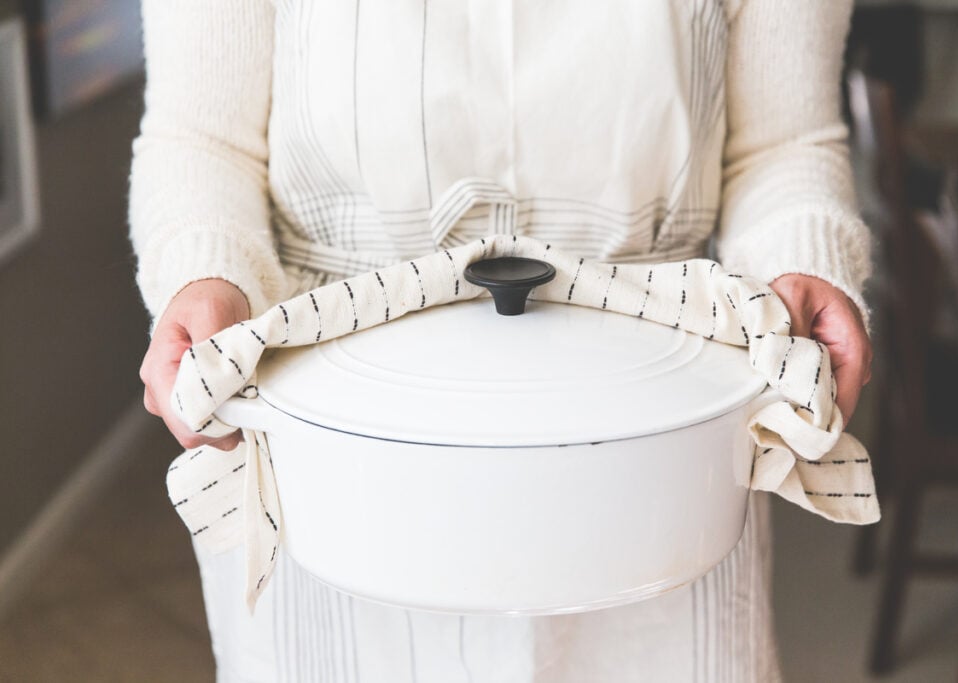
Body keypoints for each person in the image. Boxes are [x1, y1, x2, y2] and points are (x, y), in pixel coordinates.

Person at [130, 0, 873, 680]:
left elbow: (783, 143)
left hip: (660, 465)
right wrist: (205, 276)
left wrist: (800, 262)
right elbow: (202, 139)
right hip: (332, 455)